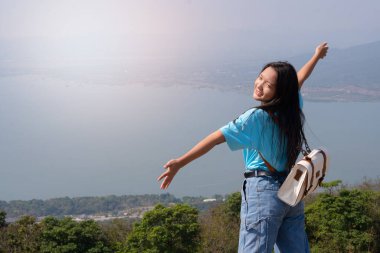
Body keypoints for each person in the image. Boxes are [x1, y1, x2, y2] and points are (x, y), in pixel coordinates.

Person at [158, 42, 329, 252]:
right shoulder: (293, 107)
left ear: (281, 92)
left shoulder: (255, 118)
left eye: (268, 85)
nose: (259, 84)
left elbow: (214, 138)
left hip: (264, 192)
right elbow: (299, 80)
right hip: (292, 190)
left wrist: (180, 163)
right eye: (260, 78)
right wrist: (316, 57)